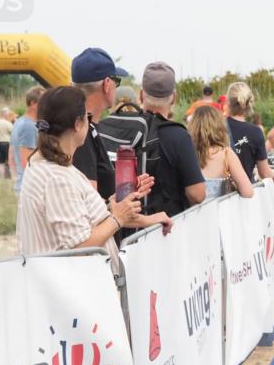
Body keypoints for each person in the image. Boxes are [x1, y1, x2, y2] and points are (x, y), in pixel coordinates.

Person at [16, 87, 171, 262]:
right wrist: (118, 218)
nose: (89, 124)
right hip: (72, 278)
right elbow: (79, 247)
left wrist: (115, 206)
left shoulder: (43, 163)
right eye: (87, 118)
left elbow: (78, 218)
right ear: (77, 124)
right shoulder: (57, 178)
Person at [138, 61, 206, 217]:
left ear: (141, 95)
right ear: (173, 97)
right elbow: (197, 194)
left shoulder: (125, 129)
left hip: (125, 225)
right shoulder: (179, 136)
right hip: (167, 224)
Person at [70, 47, 129, 200]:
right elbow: (88, 201)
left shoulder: (76, 125)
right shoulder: (82, 132)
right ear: (107, 84)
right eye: (117, 81)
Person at [187, 106, 254, 199]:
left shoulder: (186, 153)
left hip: (191, 208)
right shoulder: (226, 153)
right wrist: (233, 186)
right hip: (219, 208)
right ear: (219, 126)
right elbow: (248, 192)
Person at [225, 81, 274, 182]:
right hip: (244, 188)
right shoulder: (255, 132)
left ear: (228, 103)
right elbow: (264, 173)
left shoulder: (216, 127)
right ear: (249, 103)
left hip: (221, 189)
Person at [10, 86, 44, 193]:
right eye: (44, 102)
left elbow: (11, 154)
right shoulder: (29, 126)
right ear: (33, 104)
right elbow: (27, 162)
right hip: (30, 187)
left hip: (23, 184)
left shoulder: (19, 121)